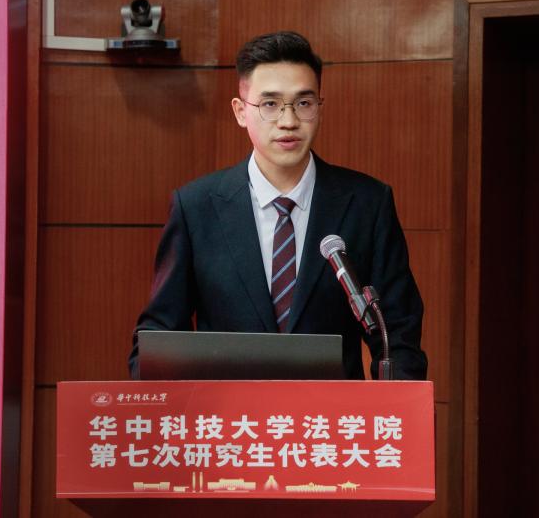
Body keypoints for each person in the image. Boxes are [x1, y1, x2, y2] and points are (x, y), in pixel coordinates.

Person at [128, 31, 427, 380]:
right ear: (241, 111)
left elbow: (397, 337)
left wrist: (392, 408)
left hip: (330, 412)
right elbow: (159, 334)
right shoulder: (196, 207)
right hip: (229, 411)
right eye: (270, 104)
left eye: (303, 103)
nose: (288, 121)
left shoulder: (367, 204)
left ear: (319, 108)